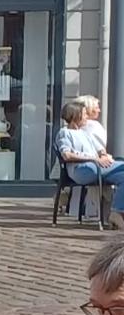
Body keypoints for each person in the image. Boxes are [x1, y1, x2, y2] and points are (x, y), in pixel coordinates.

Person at [56, 96, 124, 225]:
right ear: (76, 116)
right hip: (81, 170)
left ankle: (117, 212)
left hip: (95, 166)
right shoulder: (65, 133)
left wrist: (104, 155)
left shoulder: (85, 133)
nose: (87, 117)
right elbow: (67, 155)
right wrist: (94, 158)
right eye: (84, 114)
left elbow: (99, 149)